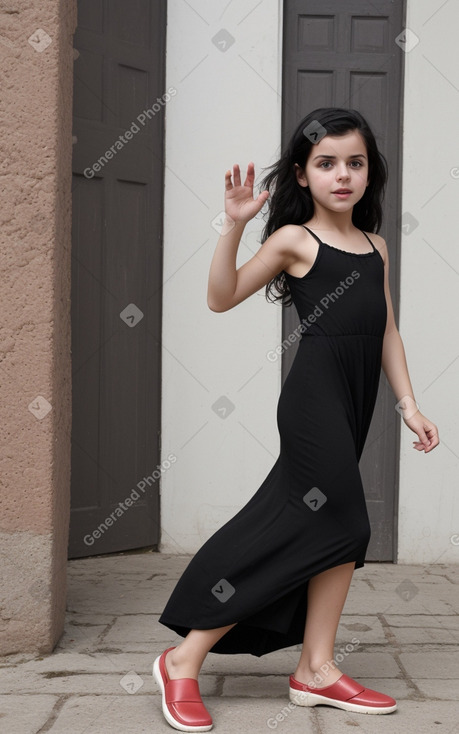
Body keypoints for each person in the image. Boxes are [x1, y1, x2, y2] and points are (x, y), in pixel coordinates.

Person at [153, 108, 439, 732]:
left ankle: (316, 668)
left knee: (333, 524)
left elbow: (386, 328)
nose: (343, 175)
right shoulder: (294, 240)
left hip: (357, 396)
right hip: (313, 399)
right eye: (326, 163)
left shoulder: (376, 246)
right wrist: (233, 227)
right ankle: (184, 656)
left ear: (370, 173)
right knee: (332, 519)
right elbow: (221, 297)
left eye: (355, 163)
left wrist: (409, 404)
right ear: (304, 177)